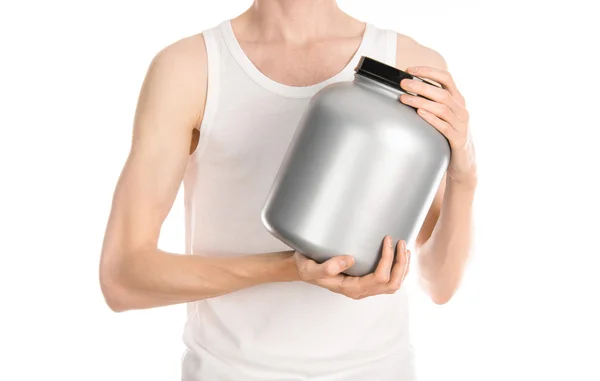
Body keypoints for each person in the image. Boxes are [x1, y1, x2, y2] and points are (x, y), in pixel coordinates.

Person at [99, 1, 477, 380]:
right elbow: (123, 278)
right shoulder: (190, 68)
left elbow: (438, 284)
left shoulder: (410, 65)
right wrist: (288, 268)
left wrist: (464, 173)